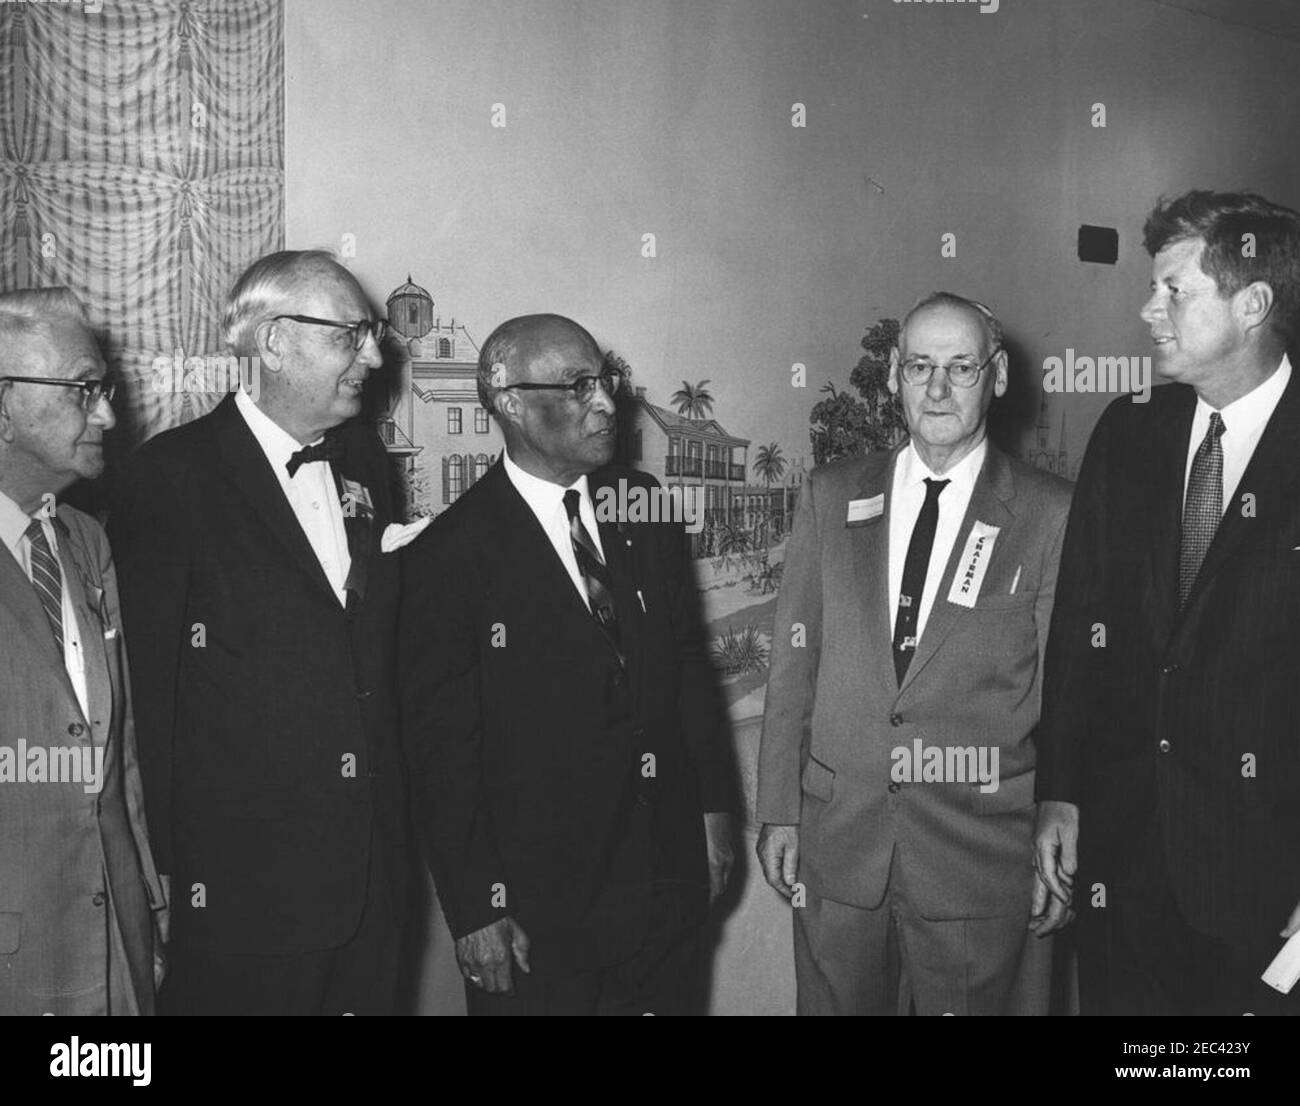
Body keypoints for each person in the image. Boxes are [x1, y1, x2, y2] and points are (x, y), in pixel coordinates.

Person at [401, 313, 736, 1015]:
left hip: (665, 891)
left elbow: (687, 672)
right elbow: (443, 754)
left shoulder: (643, 507)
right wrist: (473, 912)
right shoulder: (448, 557)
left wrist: (711, 812)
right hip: (537, 917)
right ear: (509, 401)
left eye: (605, 380)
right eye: (579, 385)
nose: (607, 402)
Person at [109, 251, 409, 1015]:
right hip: (242, 892)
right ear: (274, 342)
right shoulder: (169, 477)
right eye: (352, 336)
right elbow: (147, 692)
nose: (374, 357)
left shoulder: (367, 465)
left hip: (371, 883)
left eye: (372, 335)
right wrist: (166, 873)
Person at [757, 292, 1073, 1015]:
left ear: (996, 378)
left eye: (960, 367)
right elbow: (793, 666)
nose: (937, 388)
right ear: (895, 375)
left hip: (980, 858)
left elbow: (1070, 695)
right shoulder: (829, 495)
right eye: (920, 366)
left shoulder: (1051, 512)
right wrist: (779, 809)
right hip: (840, 849)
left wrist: (1059, 829)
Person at [1035, 190, 1300, 1015]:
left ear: (1252, 304)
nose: (1150, 311)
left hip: (1264, 888)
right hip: (1123, 870)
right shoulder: (1129, 432)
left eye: (1174, 290)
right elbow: (1079, 631)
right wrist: (1061, 791)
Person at [0, 288, 165, 1015]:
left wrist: (149, 908)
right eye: (82, 390)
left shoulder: (85, 541)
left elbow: (114, 753)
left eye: (104, 390)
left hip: (116, 953)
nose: (107, 415)